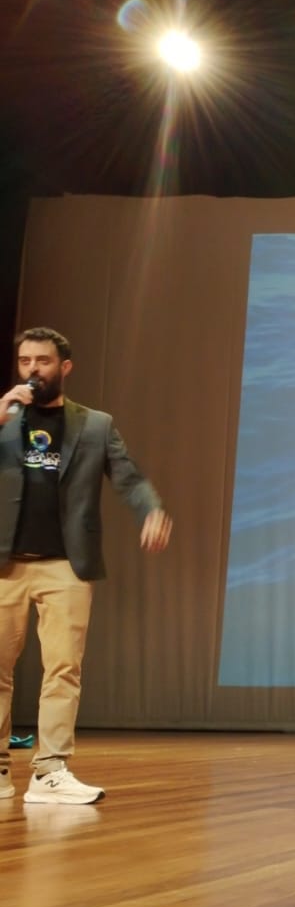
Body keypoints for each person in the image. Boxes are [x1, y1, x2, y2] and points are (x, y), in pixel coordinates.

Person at [0, 327, 172, 806]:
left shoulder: (95, 425)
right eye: (25, 361)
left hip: (65, 564)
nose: (33, 370)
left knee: (63, 669)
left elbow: (128, 476)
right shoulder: (4, 419)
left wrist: (151, 510)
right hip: (5, 564)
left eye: (42, 361)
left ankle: (50, 770)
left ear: (65, 367)